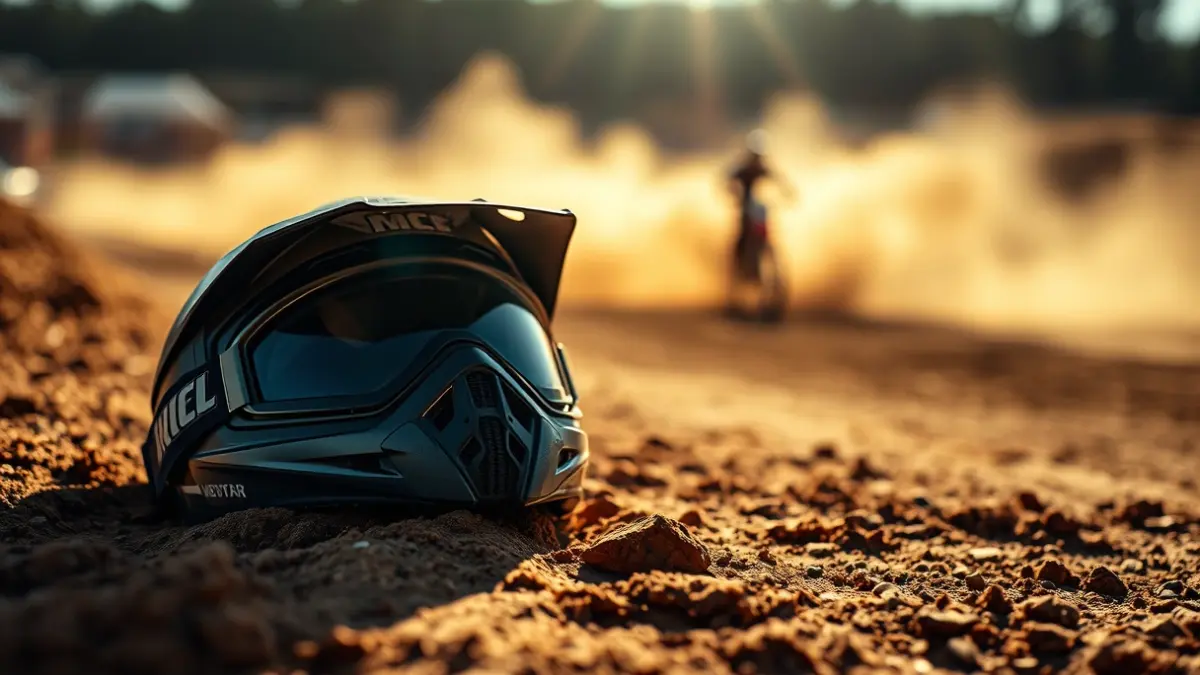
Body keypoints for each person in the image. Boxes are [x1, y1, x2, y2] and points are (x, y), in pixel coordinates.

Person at [726, 129, 796, 278]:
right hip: (745, 207)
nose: (757, 160)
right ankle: (737, 266)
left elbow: (780, 180)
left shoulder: (764, 168)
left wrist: (788, 194)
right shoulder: (742, 169)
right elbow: (728, 180)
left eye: (759, 157)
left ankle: (770, 266)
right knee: (742, 234)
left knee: (768, 234)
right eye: (755, 157)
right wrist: (733, 193)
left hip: (758, 209)